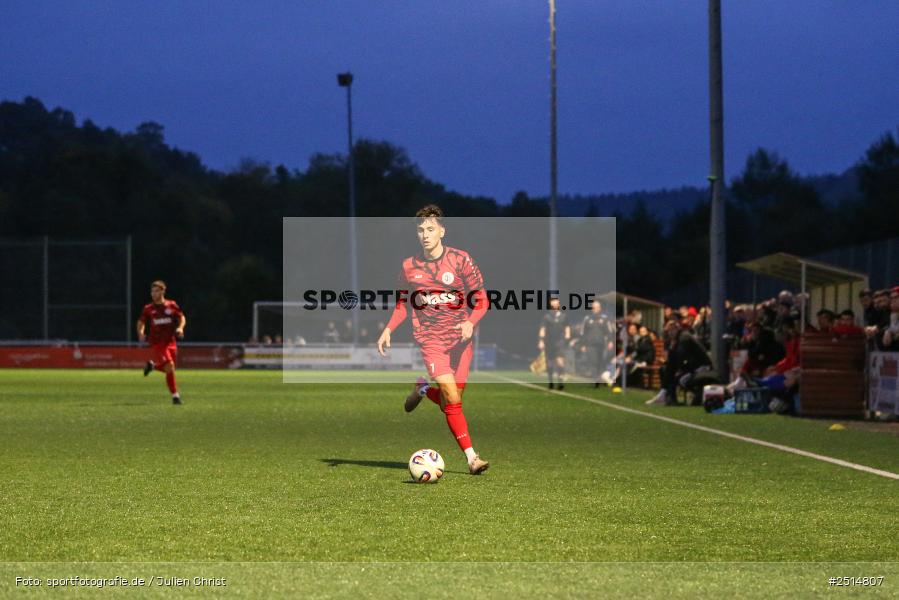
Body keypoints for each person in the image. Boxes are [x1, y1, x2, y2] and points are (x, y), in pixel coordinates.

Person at [376, 205, 489, 475]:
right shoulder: (408, 267)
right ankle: (473, 459)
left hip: (461, 342)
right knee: (451, 396)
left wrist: (470, 323)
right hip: (431, 342)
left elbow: (482, 300)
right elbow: (403, 305)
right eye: (420, 230)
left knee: (451, 400)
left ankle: (423, 389)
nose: (425, 234)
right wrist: (388, 329)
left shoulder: (461, 260)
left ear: (442, 231)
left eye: (430, 229)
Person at [137, 280, 185, 405]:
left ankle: (153, 366)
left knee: (170, 369)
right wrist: (141, 332)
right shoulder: (149, 308)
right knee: (170, 366)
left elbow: (181, 317)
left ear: (163, 291)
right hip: (157, 342)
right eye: (152, 291)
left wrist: (180, 328)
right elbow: (141, 322)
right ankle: (175, 396)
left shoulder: (171, 305)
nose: (153, 294)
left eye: (156, 291)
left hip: (171, 341)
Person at [578, 299, 615, 387]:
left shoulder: (604, 318)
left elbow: (609, 331)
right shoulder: (587, 319)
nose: (596, 309)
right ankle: (595, 381)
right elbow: (582, 333)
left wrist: (610, 342)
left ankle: (599, 379)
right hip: (590, 345)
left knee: (599, 362)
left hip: (601, 344)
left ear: (600, 308)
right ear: (592, 308)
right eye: (594, 307)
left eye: (598, 307)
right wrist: (582, 344)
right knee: (593, 362)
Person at [538, 297, 571, 390]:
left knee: (560, 363)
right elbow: (542, 329)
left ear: (559, 305)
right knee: (550, 364)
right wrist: (541, 340)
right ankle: (551, 381)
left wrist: (568, 334)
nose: (555, 306)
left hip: (560, 342)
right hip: (549, 343)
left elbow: (567, 327)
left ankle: (561, 382)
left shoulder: (564, 316)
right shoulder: (546, 317)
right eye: (553, 304)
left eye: (556, 304)